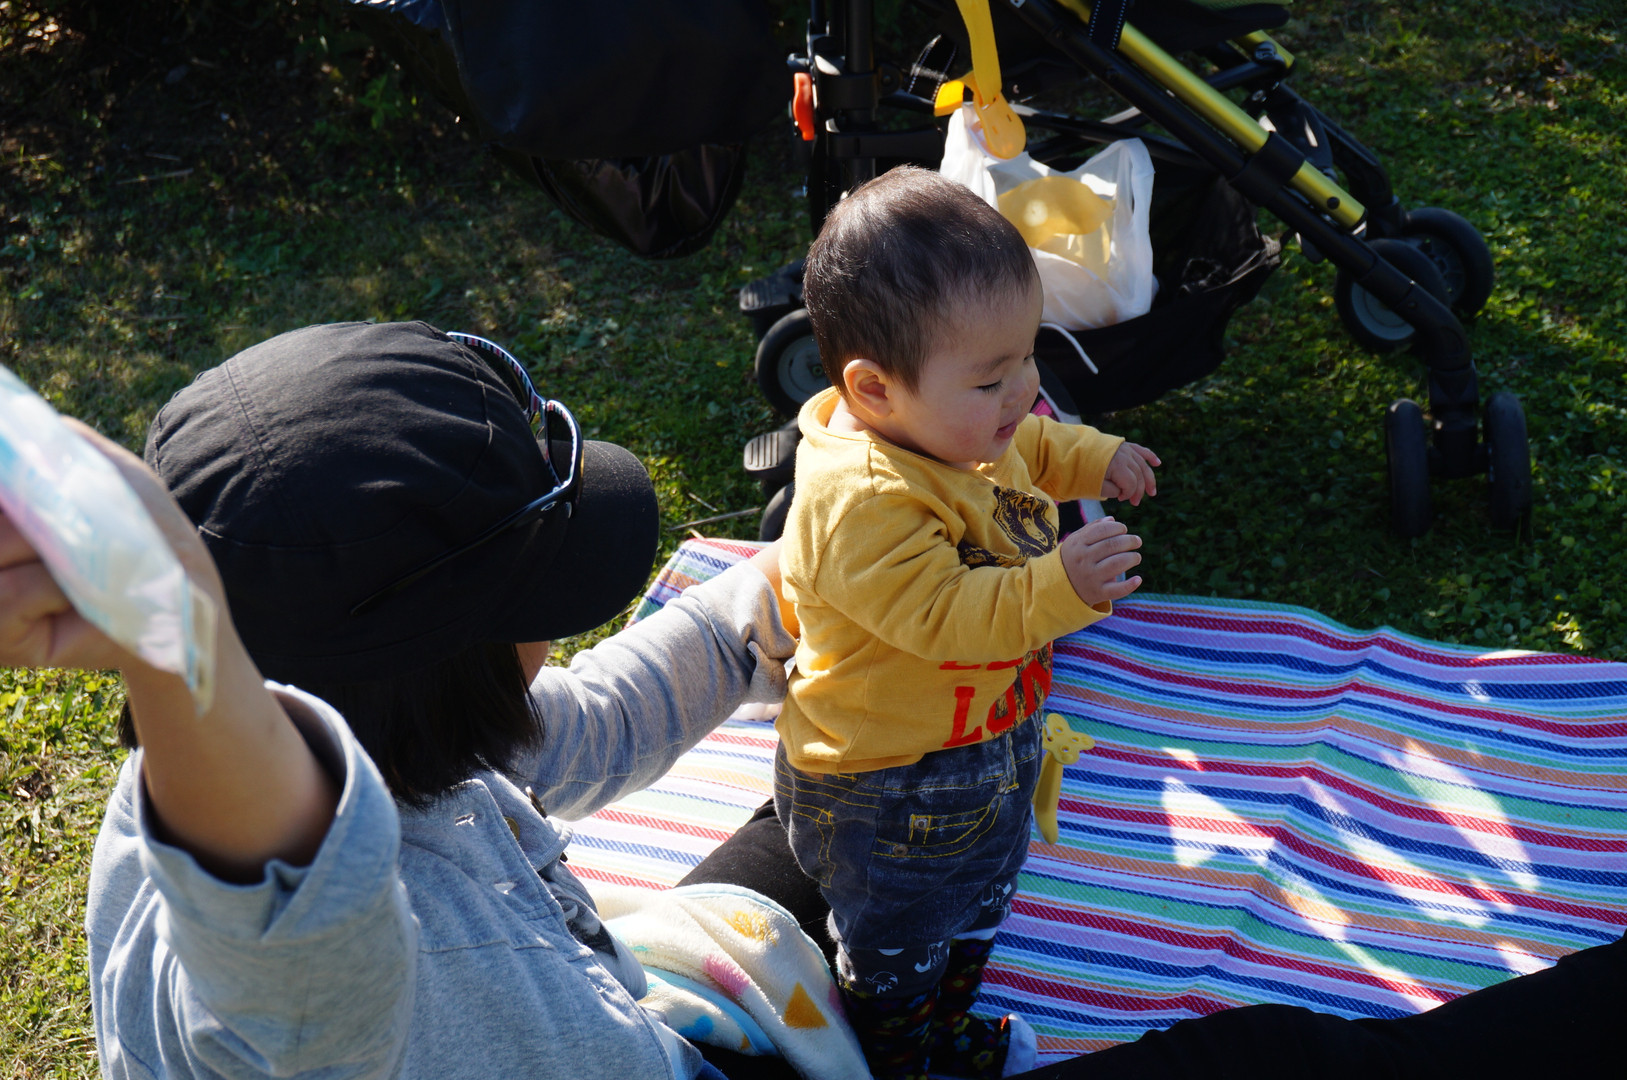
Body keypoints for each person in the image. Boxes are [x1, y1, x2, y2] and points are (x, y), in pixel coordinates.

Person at [0, 322, 1620, 1080]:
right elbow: (289, 901)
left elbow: (585, 731)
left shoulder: (407, 754)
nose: (562, 633)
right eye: (538, 607)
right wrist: (173, 635)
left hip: (641, 1009)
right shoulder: (307, 994)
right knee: (1259, 1065)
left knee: (857, 779)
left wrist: (791, 587)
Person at [771, 167, 1160, 1080]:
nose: (1024, 390)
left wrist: (1094, 458)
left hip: (984, 742)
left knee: (979, 901)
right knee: (898, 945)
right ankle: (895, 1055)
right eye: (993, 377)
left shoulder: (957, 427)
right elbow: (944, 615)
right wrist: (1058, 586)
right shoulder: (862, 502)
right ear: (873, 390)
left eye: (1027, 356)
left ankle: (946, 1027)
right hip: (884, 788)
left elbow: (1032, 444)